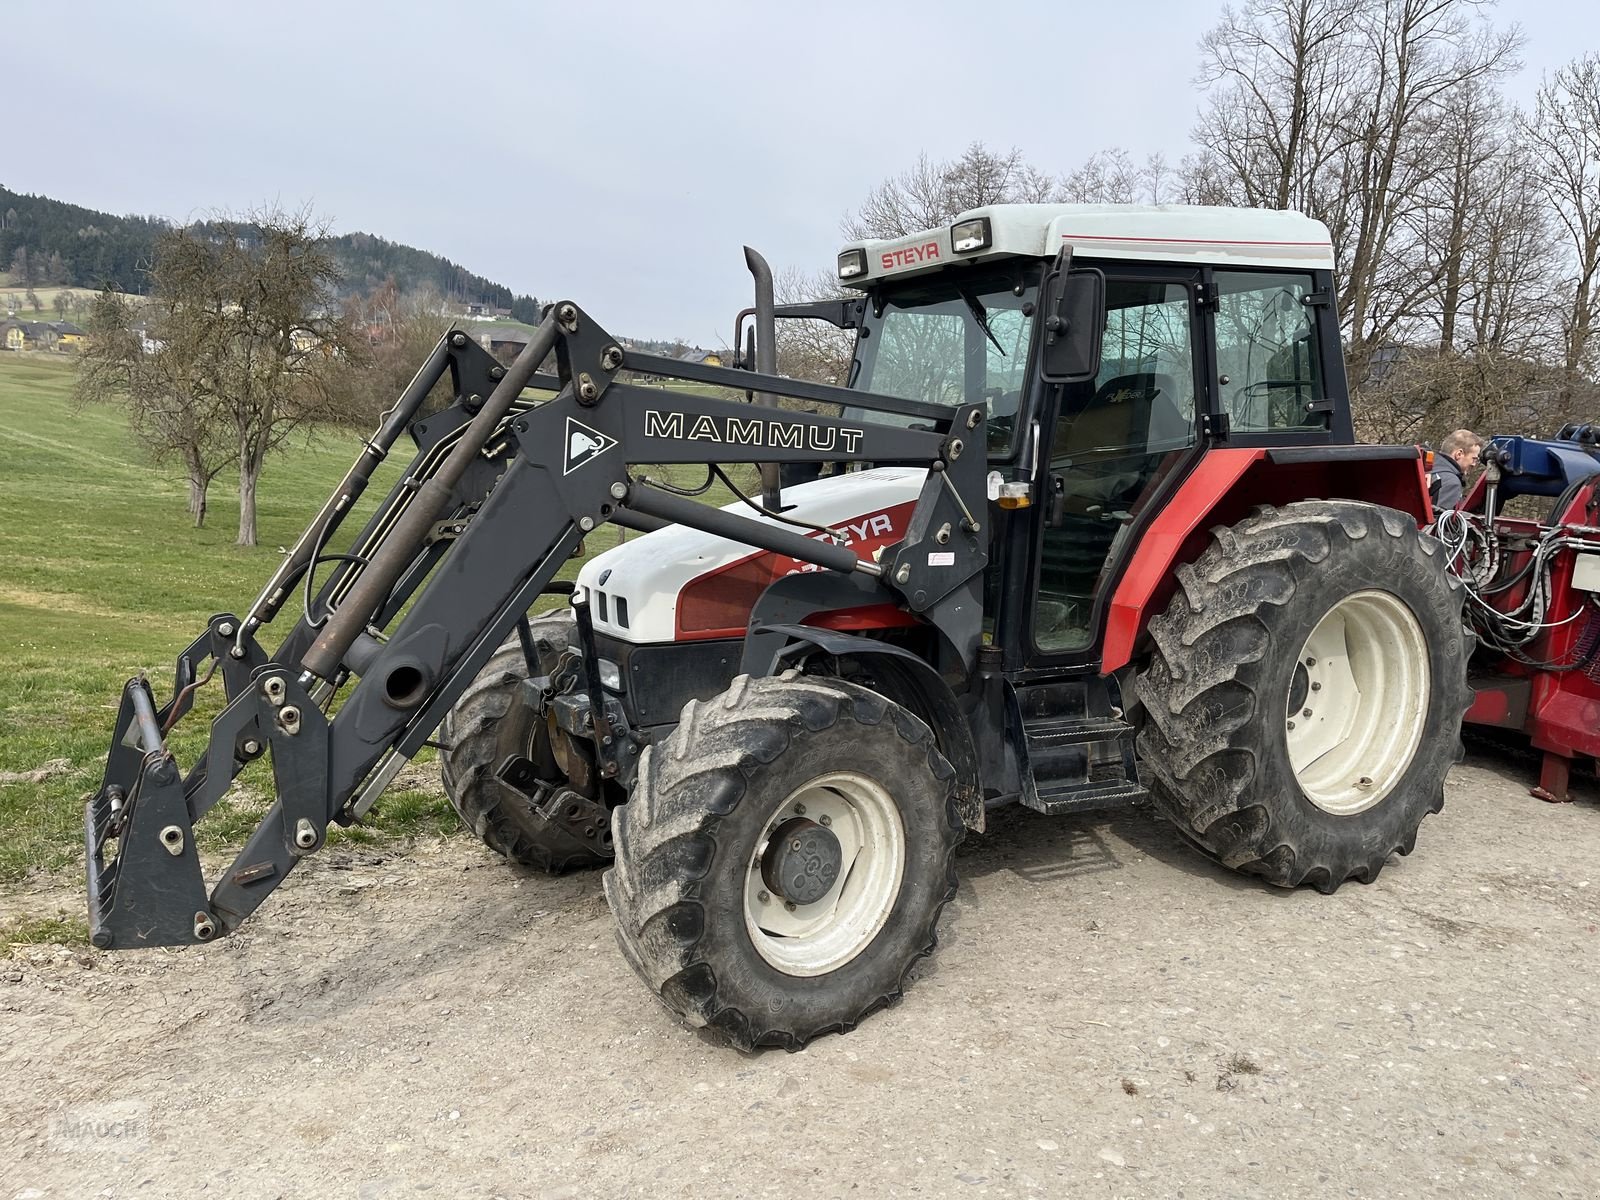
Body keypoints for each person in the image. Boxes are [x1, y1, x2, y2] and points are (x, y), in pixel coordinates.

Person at [1429, 428, 1483, 510]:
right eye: (1474, 459)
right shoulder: (1451, 482)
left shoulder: (1428, 468)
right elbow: (1442, 517)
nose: (1474, 464)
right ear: (1459, 454)